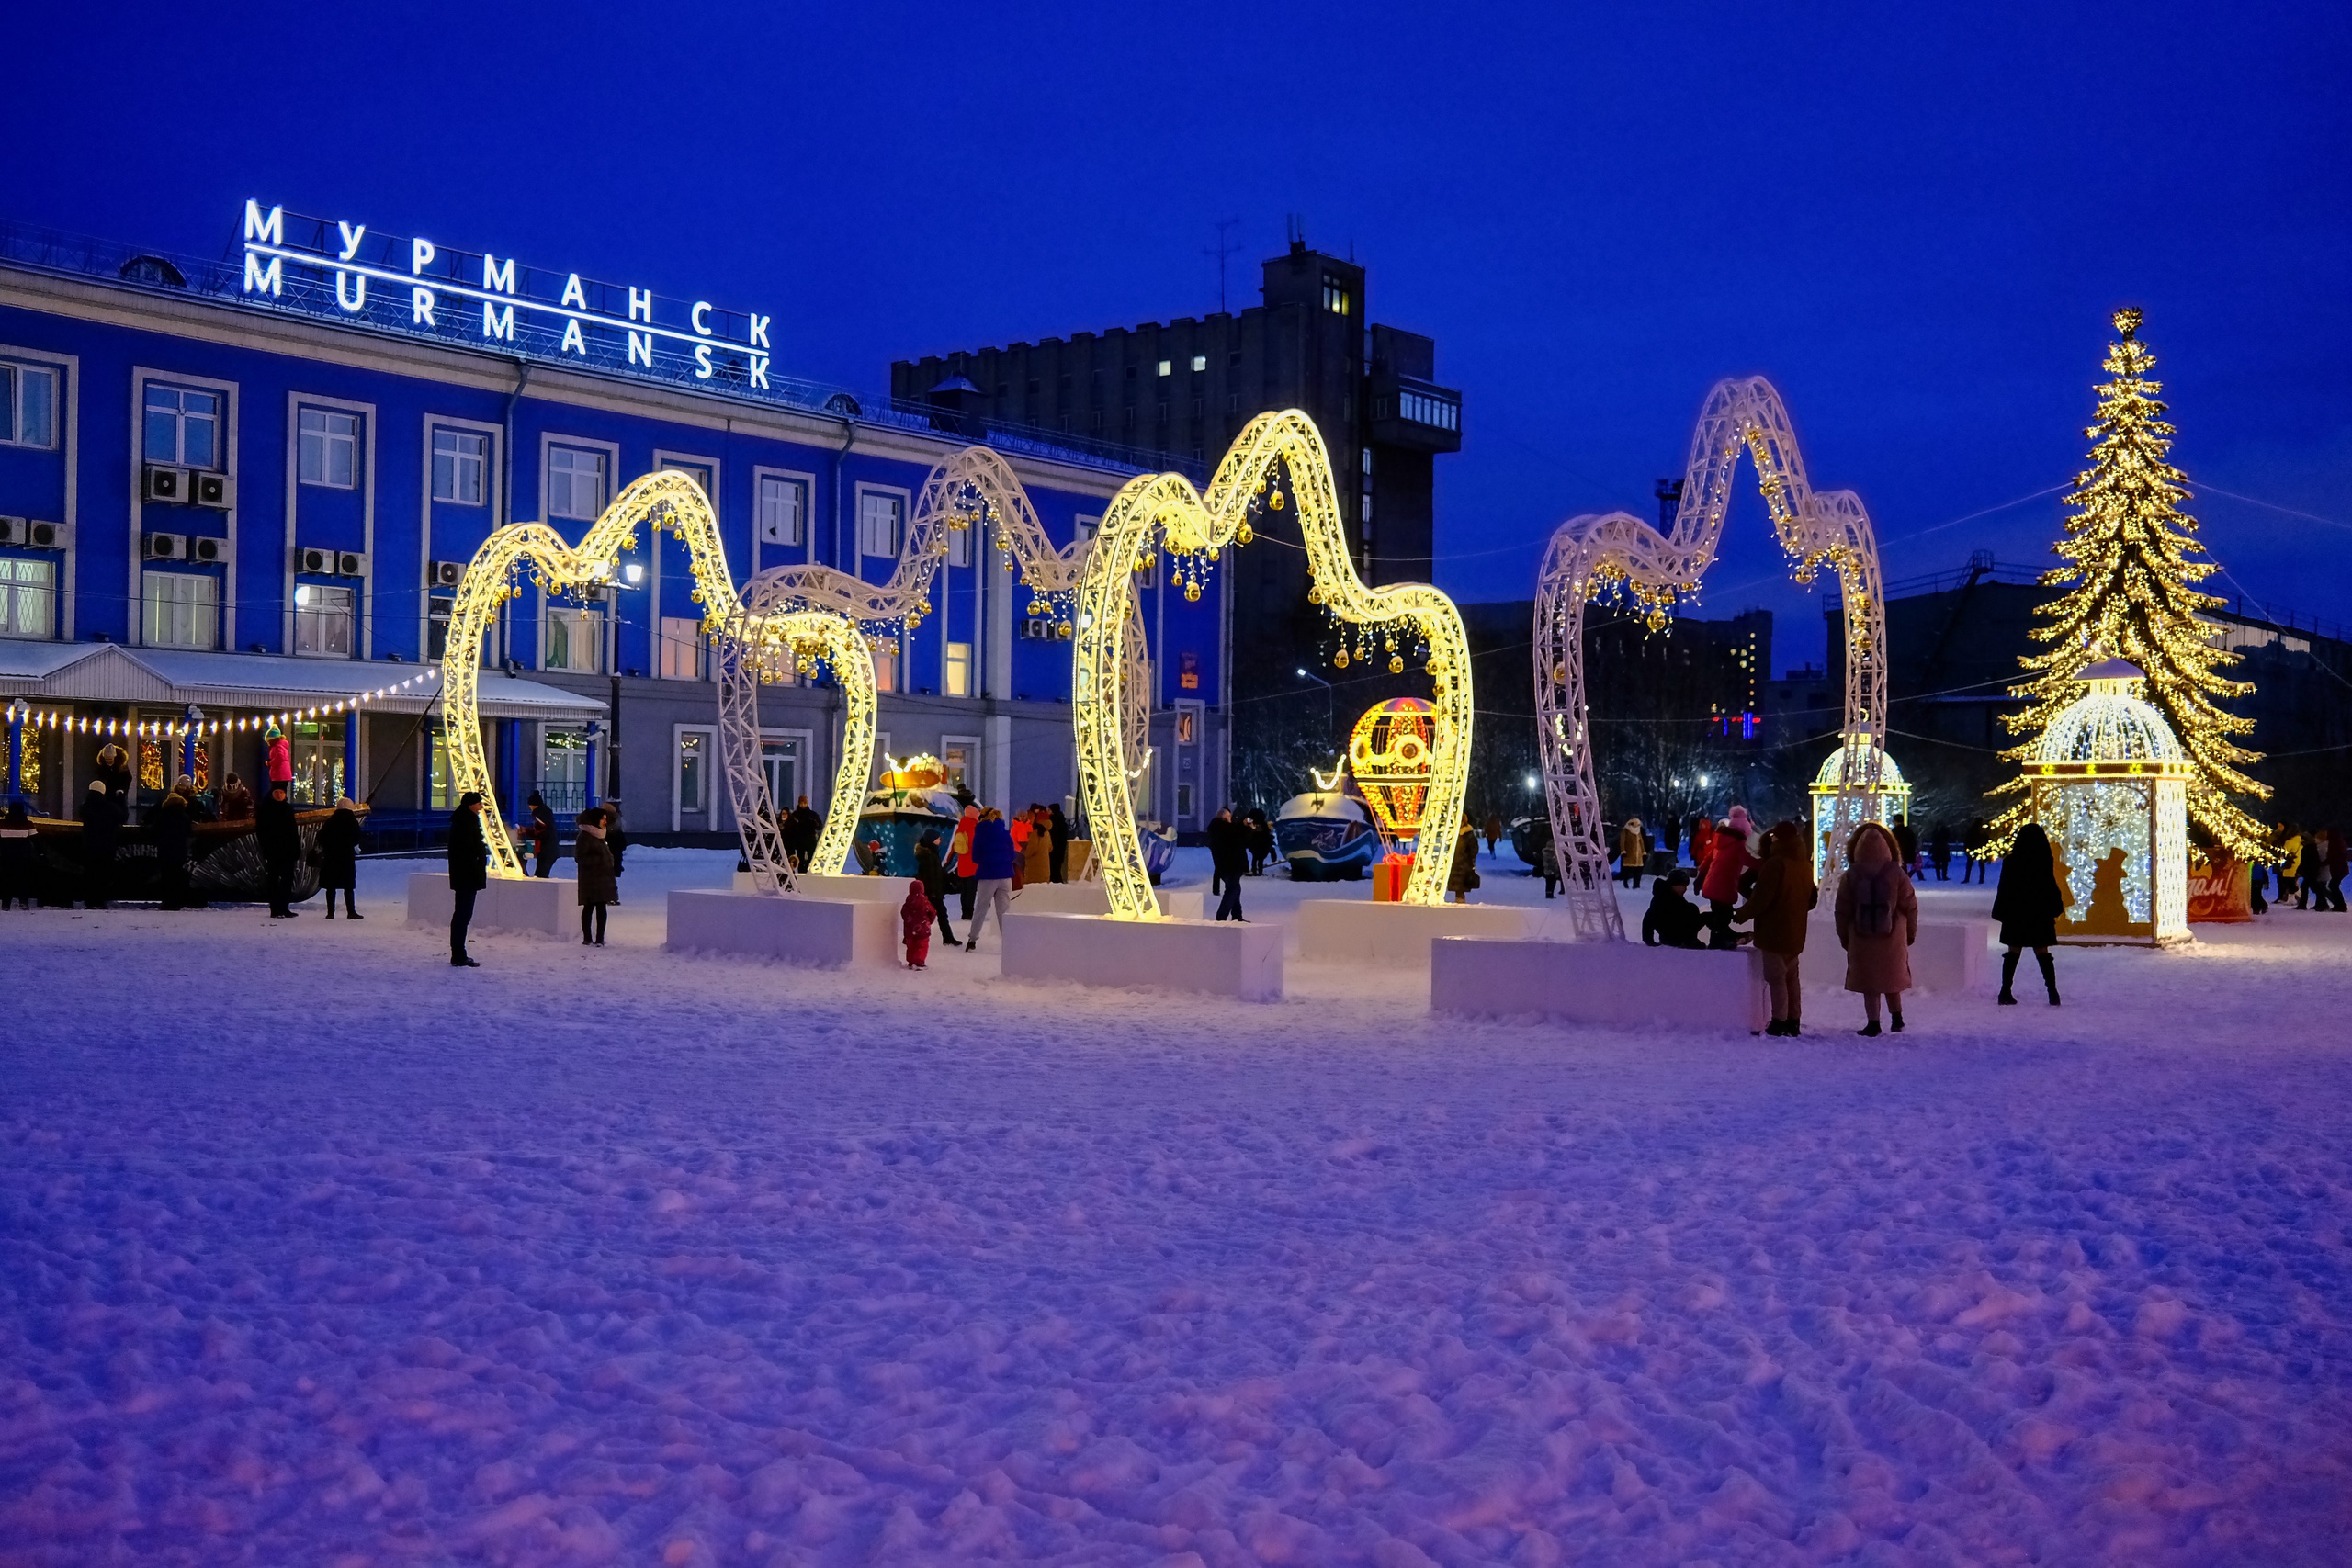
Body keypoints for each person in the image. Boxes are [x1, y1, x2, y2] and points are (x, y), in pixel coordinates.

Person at [1835, 820, 1918, 1036]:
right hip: (1893, 936)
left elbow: (1842, 910)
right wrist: (1909, 934)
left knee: (1870, 983)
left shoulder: (1851, 875)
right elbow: (1910, 906)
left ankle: (1873, 1023)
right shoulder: (1897, 874)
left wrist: (1845, 937)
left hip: (1861, 937)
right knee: (1892, 979)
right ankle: (1897, 1017)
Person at [1736, 820, 1816, 1036]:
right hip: (1796, 930)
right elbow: (1811, 899)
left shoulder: (1776, 864)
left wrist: (1742, 914)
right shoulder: (1804, 865)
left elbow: (1762, 898)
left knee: (1776, 978)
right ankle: (1794, 1019)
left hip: (1774, 929)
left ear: (1777, 839)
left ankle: (1779, 1021)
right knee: (1792, 977)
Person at [1991, 822, 2065, 1004]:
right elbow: (2050, 886)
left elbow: (2004, 888)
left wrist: (2001, 910)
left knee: (2013, 951)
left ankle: (2005, 990)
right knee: (2043, 952)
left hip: (2016, 912)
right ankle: (2052, 992)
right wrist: (2055, 906)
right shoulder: (2044, 860)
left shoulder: (2011, 861)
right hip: (2039, 912)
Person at [1699, 805, 1758, 948]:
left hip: (1712, 886)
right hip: (1724, 887)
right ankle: (1719, 939)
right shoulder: (1738, 846)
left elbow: (1707, 860)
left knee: (1720, 914)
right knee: (1723, 917)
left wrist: (1700, 877)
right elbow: (1749, 860)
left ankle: (1720, 939)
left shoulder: (1720, 842)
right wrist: (1767, 864)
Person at [964, 807, 1017, 951]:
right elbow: (1013, 855)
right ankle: (1008, 943)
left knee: (981, 908)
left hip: (987, 875)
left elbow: (975, 857)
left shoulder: (980, 833)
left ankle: (972, 940)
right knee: (1004, 910)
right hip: (1006, 875)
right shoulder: (1006, 834)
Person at [447, 790, 487, 966]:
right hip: (467, 877)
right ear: (471, 805)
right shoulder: (467, 823)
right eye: (479, 804)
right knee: (463, 915)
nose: (481, 807)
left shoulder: (461, 821)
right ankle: (458, 954)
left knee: (462, 915)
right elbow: (470, 851)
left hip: (464, 876)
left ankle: (458, 952)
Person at [573, 805, 617, 946]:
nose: (605, 822)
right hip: (590, 878)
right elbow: (580, 857)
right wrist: (599, 860)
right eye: (602, 819)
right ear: (595, 820)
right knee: (589, 907)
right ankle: (587, 938)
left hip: (602, 878)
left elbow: (612, 820)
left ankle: (600, 938)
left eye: (606, 819)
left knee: (601, 907)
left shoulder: (600, 834)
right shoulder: (586, 836)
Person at [256, 782, 300, 919]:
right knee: (274, 880)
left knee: (287, 880)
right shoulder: (266, 809)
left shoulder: (287, 809)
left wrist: (296, 848)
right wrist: (266, 847)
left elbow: (293, 831)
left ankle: (284, 906)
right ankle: (275, 908)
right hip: (274, 851)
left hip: (288, 851)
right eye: (277, 793)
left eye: (282, 793)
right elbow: (261, 831)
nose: (279, 795)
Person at [316, 795, 363, 919]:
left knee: (331, 886)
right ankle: (351, 912)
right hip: (346, 857)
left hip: (331, 856)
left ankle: (330, 912)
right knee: (348, 886)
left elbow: (321, 837)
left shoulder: (330, 821)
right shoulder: (352, 821)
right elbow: (357, 837)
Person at [153, 779, 196, 911]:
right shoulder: (184, 817)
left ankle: (167, 901)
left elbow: (155, 831)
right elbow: (189, 833)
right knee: (177, 876)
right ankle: (177, 901)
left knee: (166, 876)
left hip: (165, 850)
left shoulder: (161, 816)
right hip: (179, 851)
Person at [77, 779, 120, 908]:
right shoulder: (109, 807)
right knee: (104, 874)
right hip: (107, 845)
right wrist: (120, 799)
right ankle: (100, 900)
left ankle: (90, 901)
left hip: (90, 845)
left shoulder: (85, 807)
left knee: (90, 873)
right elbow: (122, 816)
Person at [1640, 870, 1706, 948]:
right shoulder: (1663, 898)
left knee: (1695, 910)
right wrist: (1649, 941)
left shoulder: (1674, 895)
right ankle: (1685, 941)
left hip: (1676, 931)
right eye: (1683, 886)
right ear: (1674, 884)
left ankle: (1690, 940)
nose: (1685, 889)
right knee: (1692, 909)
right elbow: (1649, 918)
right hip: (1671, 936)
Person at [914, 828, 957, 946]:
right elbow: (928, 876)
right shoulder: (928, 856)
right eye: (938, 838)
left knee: (937, 915)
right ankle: (947, 938)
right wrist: (932, 891)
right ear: (932, 840)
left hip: (934, 891)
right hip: (932, 892)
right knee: (934, 915)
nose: (940, 840)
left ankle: (947, 937)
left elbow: (937, 873)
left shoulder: (932, 854)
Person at [1208, 807, 1248, 921]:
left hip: (1223, 866)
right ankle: (1222, 916)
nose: (1231, 819)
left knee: (1235, 888)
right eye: (1229, 817)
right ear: (1226, 818)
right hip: (1232, 865)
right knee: (1232, 890)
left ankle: (1237, 916)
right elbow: (1239, 841)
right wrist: (1247, 829)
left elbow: (1235, 835)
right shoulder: (1225, 830)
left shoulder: (1216, 830)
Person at [1, 800, 39, 910]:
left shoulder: (2, 824)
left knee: (6, 880)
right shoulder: (28, 824)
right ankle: (24, 902)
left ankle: (6, 904)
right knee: (23, 880)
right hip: (24, 856)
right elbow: (35, 840)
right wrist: (41, 853)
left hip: (6, 856)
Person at [951, 804, 979, 920]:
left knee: (964, 890)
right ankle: (969, 912)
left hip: (962, 863)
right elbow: (975, 844)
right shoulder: (973, 826)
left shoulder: (961, 825)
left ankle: (964, 911)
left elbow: (954, 845)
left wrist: (949, 860)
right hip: (972, 863)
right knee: (971, 890)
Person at [521, 791, 558, 879]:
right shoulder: (545, 815)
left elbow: (540, 833)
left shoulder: (540, 816)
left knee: (541, 876)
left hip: (546, 850)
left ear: (533, 805)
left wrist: (526, 831)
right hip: (549, 849)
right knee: (541, 874)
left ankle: (542, 892)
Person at [900, 878, 934, 969]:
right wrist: (929, 922)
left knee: (911, 945)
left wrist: (908, 922)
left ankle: (911, 961)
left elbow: (903, 912)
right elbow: (932, 912)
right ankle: (919, 962)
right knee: (922, 945)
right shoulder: (925, 902)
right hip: (923, 929)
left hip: (910, 929)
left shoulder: (908, 902)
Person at [1447, 819, 1481, 905]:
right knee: (1458, 884)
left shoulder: (1467, 835)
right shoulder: (1458, 834)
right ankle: (1459, 899)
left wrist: (1467, 857)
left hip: (1463, 864)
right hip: (1457, 863)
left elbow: (1474, 849)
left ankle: (1460, 900)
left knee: (1460, 884)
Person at [788, 795, 823, 873]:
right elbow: (791, 827)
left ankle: (809, 870)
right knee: (800, 858)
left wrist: (814, 823)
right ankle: (802, 871)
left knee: (811, 857)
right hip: (800, 840)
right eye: (802, 803)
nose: (803, 804)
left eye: (804, 802)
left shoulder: (812, 815)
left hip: (809, 839)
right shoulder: (795, 815)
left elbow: (819, 826)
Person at [2324, 826, 2349, 913]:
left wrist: (2323, 863)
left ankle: (2340, 905)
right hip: (2340, 868)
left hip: (2338, 868)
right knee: (2334, 886)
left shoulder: (2335, 843)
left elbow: (2333, 857)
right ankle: (2339, 904)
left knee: (2333, 886)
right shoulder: (2339, 842)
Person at [2276, 822, 2301, 908]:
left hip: (2290, 863)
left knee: (2287, 880)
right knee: (2291, 880)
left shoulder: (2289, 842)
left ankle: (2295, 895)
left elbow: (2284, 853)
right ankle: (2293, 897)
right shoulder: (2301, 841)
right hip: (2298, 863)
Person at [1616, 817, 1645, 888]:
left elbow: (1641, 842)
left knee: (1637, 870)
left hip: (1638, 854)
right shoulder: (1626, 831)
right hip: (1629, 853)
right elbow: (1622, 841)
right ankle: (1625, 882)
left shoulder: (1638, 832)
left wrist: (1643, 851)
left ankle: (1636, 884)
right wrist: (1623, 850)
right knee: (1627, 869)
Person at [264, 724, 293, 795]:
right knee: (282, 793)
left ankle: (278, 805)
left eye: (268, 741)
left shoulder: (277, 747)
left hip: (279, 775)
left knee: (276, 794)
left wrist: (270, 763)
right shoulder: (282, 746)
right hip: (284, 774)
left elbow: (280, 756)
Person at [1047, 803, 1072, 883]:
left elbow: (1053, 836)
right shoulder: (1062, 821)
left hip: (1054, 848)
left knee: (1053, 867)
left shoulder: (1052, 822)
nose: (1048, 811)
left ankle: (1056, 882)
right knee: (1057, 867)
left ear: (1053, 811)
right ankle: (1058, 882)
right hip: (1060, 848)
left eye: (1049, 810)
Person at [1893, 816, 1920, 881]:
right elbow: (1913, 841)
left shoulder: (1895, 831)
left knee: (1899, 867)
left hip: (1898, 852)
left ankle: (1901, 880)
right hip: (1907, 852)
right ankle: (1904, 880)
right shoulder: (1908, 830)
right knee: (1904, 867)